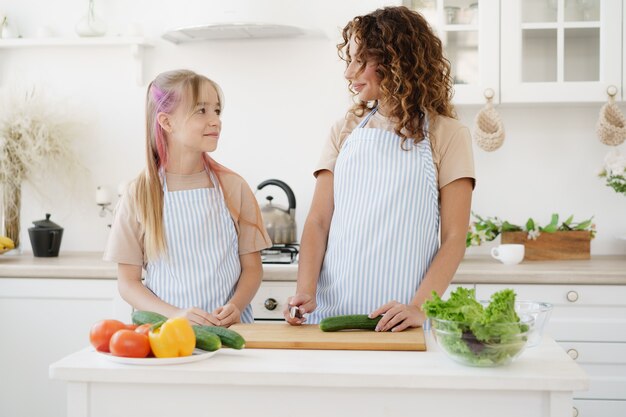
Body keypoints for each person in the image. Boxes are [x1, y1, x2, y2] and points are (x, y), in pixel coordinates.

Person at [284, 6, 475, 331]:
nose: (349, 74)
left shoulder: (448, 134)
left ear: (396, 62)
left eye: (361, 61)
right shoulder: (345, 128)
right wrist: (305, 290)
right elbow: (318, 222)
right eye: (350, 61)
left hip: (402, 318)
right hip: (333, 313)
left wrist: (418, 307)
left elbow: (455, 237)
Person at [104, 69, 271, 326]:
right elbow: (128, 283)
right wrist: (176, 315)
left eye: (217, 110)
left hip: (230, 335)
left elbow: (252, 268)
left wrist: (236, 306)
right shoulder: (140, 194)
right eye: (201, 110)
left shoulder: (233, 187)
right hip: (165, 336)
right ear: (167, 122)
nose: (215, 120)